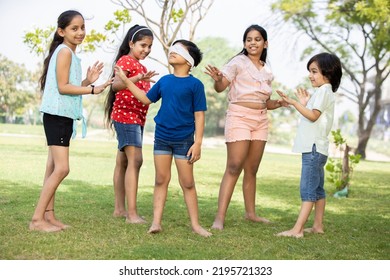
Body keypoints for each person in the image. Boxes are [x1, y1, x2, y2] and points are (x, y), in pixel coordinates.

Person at [114, 39, 212, 237]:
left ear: (189, 60)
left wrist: (198, 142)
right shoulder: (164, 81)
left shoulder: (196, 85)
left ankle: (196, 225)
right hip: (162, 138)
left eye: (179, 50)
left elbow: (199, 115)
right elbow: (145, 98)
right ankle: (156, 223)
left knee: (187, 182)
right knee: (161, 179)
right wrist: (126, 82)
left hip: (184, 141)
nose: (172, 52)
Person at [29, 10, 112, 232]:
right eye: (74, 28)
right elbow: (64, 87)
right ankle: (37, 220)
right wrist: (93, 89)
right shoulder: (64, 52)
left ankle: (49, 216)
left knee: (53, 167)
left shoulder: (68, 54)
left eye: (82, 27)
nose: (80, 32)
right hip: (57, 116)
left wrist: (86, 80)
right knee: (62, 168)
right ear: (61, 31)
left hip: (60, 115)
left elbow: (66, 86)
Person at [205, 24, 287, 230]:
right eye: (249, 39)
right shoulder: (237, 62)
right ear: (244, 43)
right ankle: (219, 218)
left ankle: (251, 214)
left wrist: (276, 104)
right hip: (239, 117)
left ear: (265, 43)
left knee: (252, 168)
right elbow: (221, 87)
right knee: (234, 166)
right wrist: (217, 80)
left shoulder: (267, 71)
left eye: (257, 39)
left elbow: (264, 102)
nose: (253, 42)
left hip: (260, 119)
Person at [275, 52, 342, 238]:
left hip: (313, 149)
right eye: (309, 71)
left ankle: (297, 230)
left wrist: (295, 103)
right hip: (318, 148)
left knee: (308, 190)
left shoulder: (323, 91)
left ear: (327, 73)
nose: (310, 75)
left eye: (314, 71)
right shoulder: (324, 92)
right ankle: (318, 226)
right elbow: (312, 116)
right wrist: (304, 103)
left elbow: (313, 116)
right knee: (318, 189)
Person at [104, 25, 157, 223]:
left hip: (137, 119)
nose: (146, 50)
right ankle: (132, 214)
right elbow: (116, 85)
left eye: (150, 46)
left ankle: (120, 210)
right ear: (131, 43)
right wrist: (136, 77)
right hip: (126, 118)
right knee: (136, 160)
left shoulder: (142, 67)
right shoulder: (126, 60)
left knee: (124, 161)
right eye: (143, 45)